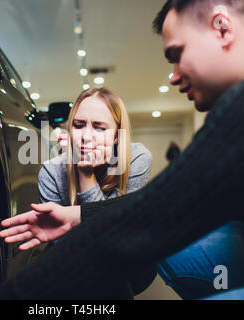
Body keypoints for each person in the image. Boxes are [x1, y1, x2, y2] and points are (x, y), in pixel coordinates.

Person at [0, 0, 244, 299]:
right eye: (80, 125)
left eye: (177, 54)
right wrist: (78, 215)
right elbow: (163, 207)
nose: (174, 75)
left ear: (221, 27)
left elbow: (152, 217)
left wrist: (3, 297)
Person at [38, 87, 156, 296]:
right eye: (79, 125)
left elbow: (118, 236)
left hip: (131, 264)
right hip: (76, 269)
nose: (86, 137)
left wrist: (86, 175)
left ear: (117, 136)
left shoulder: (137, 158)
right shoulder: (51, 172)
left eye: (99, 127)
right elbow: (69, 252)